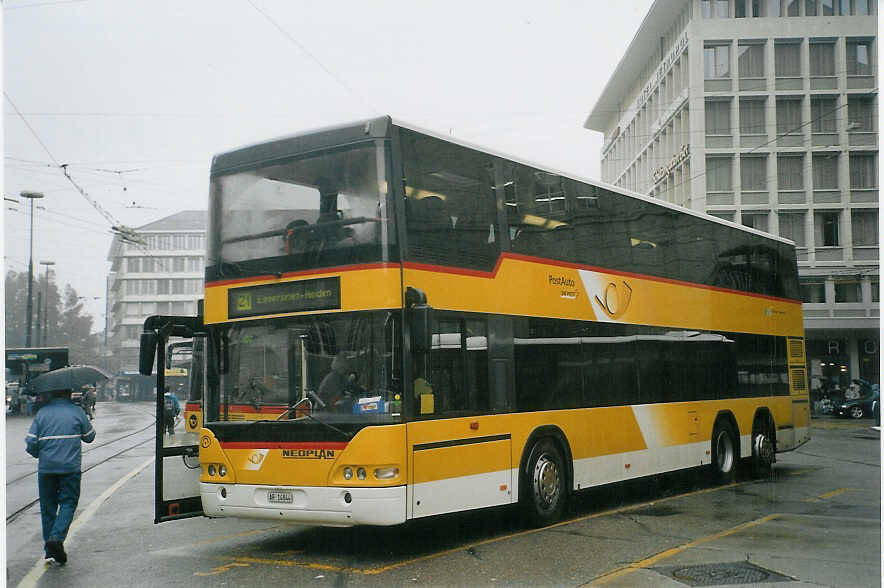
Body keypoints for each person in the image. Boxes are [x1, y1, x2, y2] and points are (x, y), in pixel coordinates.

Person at [25, 388, 96, 565]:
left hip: (46, 469)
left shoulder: (42, 413)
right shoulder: (76, 411)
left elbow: (31, 442)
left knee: (48, 507)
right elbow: (89, 437)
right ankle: (56, 538)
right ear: (69, 393)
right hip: (70, 469)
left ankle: (50, 551)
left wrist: (39, 454)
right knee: (68, 503)